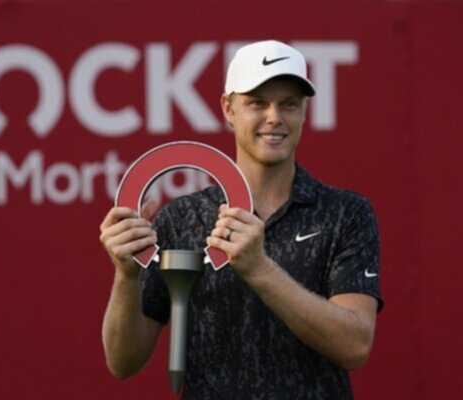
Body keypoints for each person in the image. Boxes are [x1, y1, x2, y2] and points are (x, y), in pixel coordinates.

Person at [99, 40, 383, 399]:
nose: (274, 117)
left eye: (289, 104)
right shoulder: (182, 218)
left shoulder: (346, 213)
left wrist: (259, 269)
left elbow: (355, 345)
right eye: (257, 103)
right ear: (228, 109)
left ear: (304, 111)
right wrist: (126, 275)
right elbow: (123, 363)